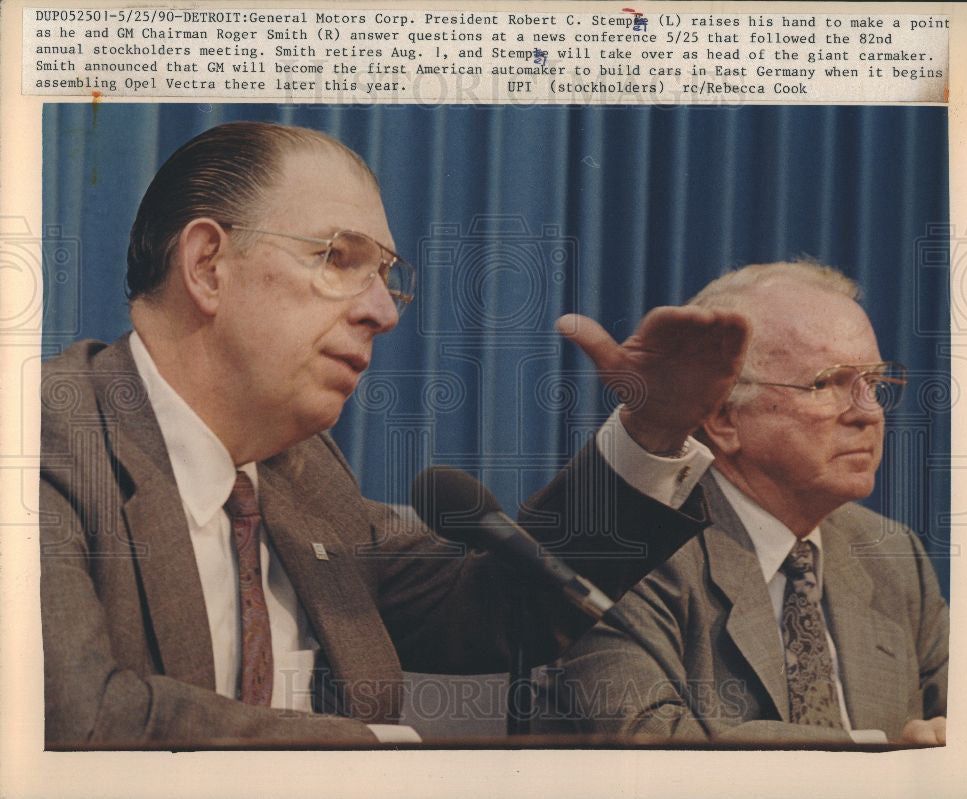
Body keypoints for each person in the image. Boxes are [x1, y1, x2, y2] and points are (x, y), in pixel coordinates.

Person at [40, 121, 750, 745]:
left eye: (384, 276)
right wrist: (371, 756)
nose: (382, 310)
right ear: (207, 266)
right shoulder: (46, 437)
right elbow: (76, 715)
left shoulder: (301, 474)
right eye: (337, 259)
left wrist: (654, 429)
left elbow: (510, 602)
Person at [533, 262, 949, 745]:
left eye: (873, 383)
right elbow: (648, 738)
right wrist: (877, 760)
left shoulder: (890, 554)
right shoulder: (627, 551)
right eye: (827, 383)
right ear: (725, 418)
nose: (868, 413)